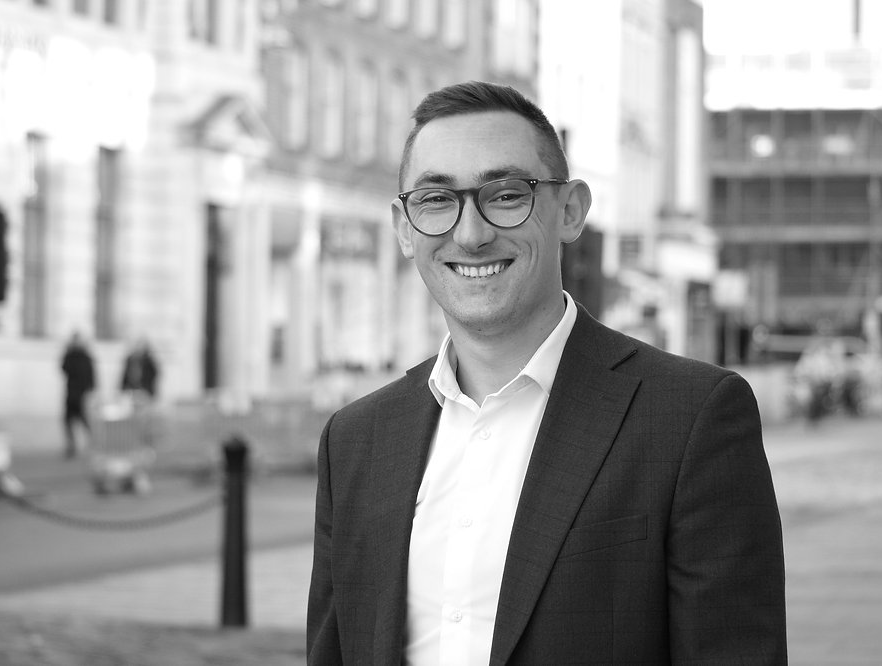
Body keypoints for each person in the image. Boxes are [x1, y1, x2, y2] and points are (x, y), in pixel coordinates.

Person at [306, 82, 787, 665]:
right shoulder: (356, 441)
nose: (471, 234)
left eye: (507, 195)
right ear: (405, 228)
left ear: (571, 211)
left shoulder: (689, 418)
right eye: (435, 200)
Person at [60, 331, 96, 459]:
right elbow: (64, 368)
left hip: (81, 394)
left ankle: (93, 443)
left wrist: (90, 391)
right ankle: (71, 446)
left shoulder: (85, 357)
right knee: (68, 421)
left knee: (85, 420)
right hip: (71, 393)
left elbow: (91, 375)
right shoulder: (70, 356)